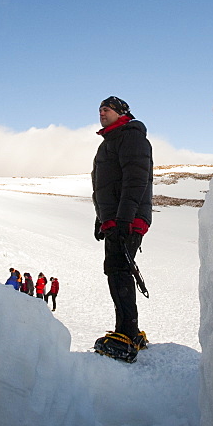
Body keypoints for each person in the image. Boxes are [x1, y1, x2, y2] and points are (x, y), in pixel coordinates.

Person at [92, 96, 152, 354]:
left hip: (127, 219)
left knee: (118, 271)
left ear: (121, 113)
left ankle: (127, 336)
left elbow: (136, 179)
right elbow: (107, 186)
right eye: (100, 110)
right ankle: (130, 332)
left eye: (107, 109)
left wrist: (125, 218)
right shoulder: (112, 141)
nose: (101, 113)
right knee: (118, 271)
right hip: (116, 218)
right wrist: (102, 218)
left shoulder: (131, 137)